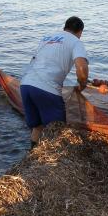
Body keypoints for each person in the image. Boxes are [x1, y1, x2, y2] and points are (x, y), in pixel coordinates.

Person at [20, 16, 89, 149]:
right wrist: (82, 85)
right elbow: (82, 67)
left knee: (37, 125)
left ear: (65, 27)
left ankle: (32, 155)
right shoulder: (76, 42)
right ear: (80, 32)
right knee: (58, 130)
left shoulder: (47, 38)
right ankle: (55, 161)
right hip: (47, 88)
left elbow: (35, 60)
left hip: (25, 85)